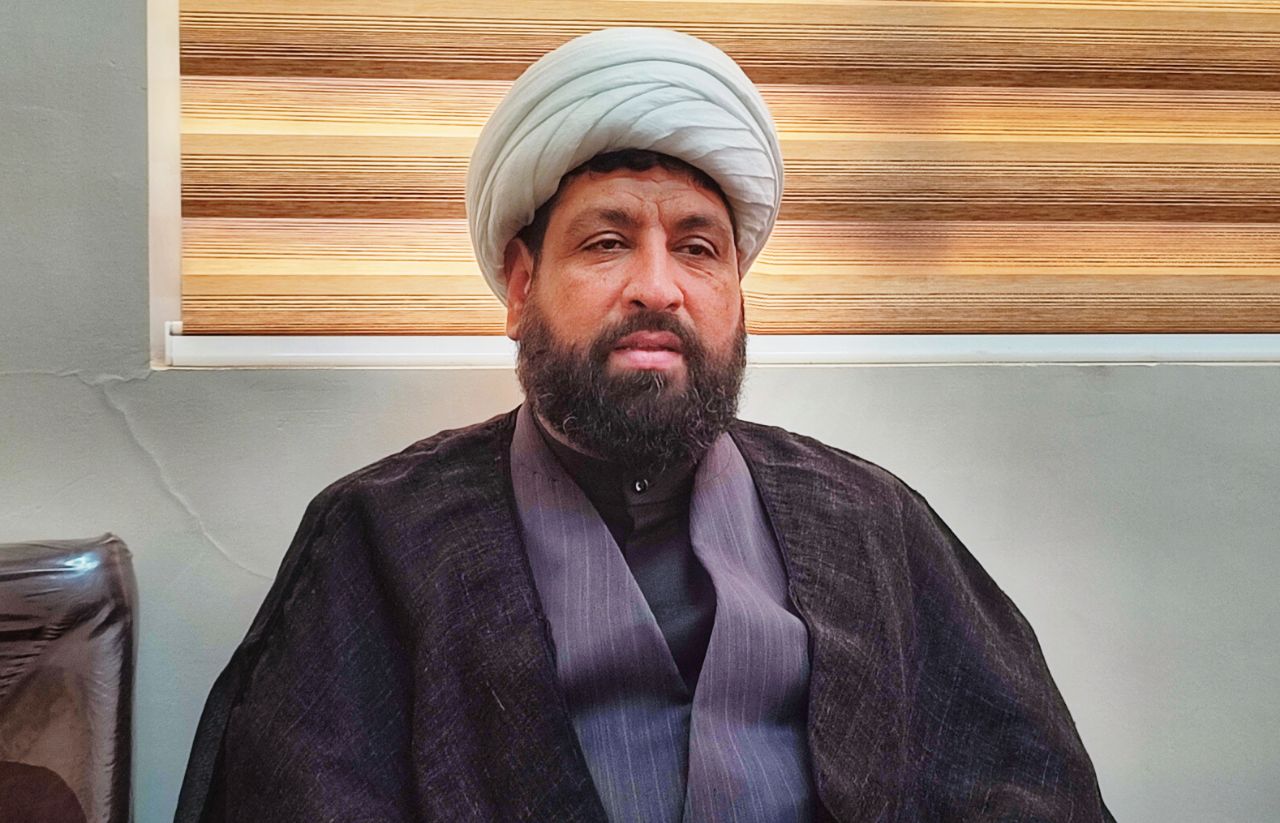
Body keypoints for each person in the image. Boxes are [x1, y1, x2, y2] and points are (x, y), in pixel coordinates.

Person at [175, 28, 1114, 823]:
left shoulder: (871, 523)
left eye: (698, 248)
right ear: (521, 286)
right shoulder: (379, 539)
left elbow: (1024, 787)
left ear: (737, 296)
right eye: (607, 241)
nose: (657, 286)